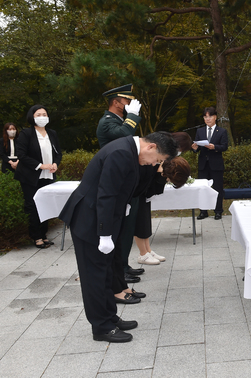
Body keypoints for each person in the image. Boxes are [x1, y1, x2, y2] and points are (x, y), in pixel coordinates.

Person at [59, 132, 177, 343]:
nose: (154, 164)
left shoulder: (130, 151)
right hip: (90, 221)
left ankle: (109, 317)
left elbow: (125, 188)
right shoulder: (121, 153)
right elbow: (106, 193)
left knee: (106, 273)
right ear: (150, 147)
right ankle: (101, 327)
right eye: (157, 160)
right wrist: (104, 233)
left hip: (102, 218)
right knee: (94, 276)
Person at [97, 84, 146, 287]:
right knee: (121, 227)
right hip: (115, 180)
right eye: (126, 101)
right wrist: (133, 116)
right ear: (116, 102)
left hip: (125, 178)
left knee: (128, 227)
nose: (129, 104)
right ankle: (119, 268)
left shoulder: (117, 120)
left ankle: (123, 265)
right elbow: (123, 134)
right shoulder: (107, 122)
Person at [14, 106, 62, 249]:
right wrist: (40, 165)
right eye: (38, 114)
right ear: (32, 117)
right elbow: (21, 155)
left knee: (45, 205)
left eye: (44, 114)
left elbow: (58, 153)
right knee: (33, 206)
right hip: (30, 176)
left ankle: (44, 234)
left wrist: (55, 164)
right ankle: (36, 237)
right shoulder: (26, 133)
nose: (42, 117)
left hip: (48, 175)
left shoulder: (52, 133)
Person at [135, 156, 191, 265]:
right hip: (138, 195)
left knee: (145, 221)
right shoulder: (151, 163)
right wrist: (160, 175)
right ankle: (142, 253)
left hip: (145, 195)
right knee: (139, 222)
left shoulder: (162, 166)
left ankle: (148, 250)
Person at [192, 107, 228, 220]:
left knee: (217, 188)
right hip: (203, 164)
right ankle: (203, 211)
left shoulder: (222, 131)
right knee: (203, 188)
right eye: (205, 117)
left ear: (215, 117)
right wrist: (194, 148)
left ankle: (218, 211)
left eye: (210, 116)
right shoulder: (200, 131)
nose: (207, 119)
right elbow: (196, 148)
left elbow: (224, 146)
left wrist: (214, 147)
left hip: (216, 164)